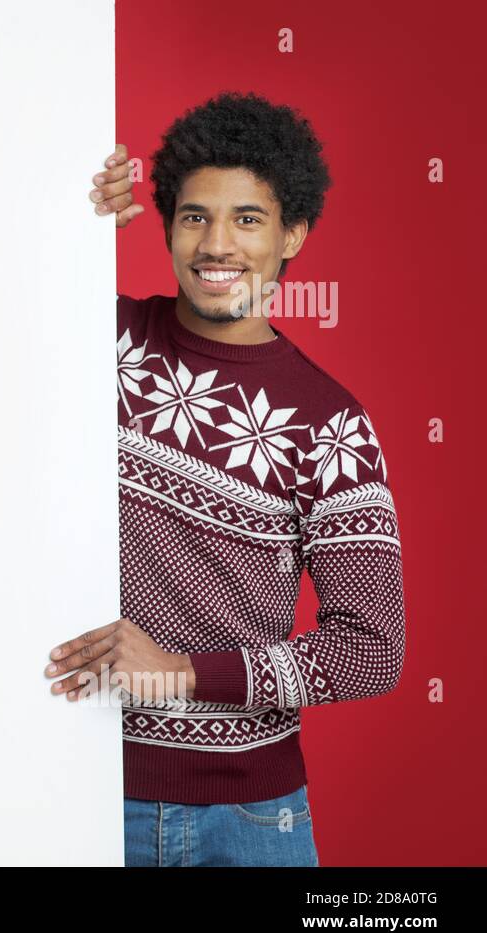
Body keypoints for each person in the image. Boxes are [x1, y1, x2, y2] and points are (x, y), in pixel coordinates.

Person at [50, 92, 406, 866]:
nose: (218, 243)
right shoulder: (98, 338)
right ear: (169, 226)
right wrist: (69, 216)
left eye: (248, 218)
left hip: (250, 821)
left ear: (293, 234)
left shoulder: (330, 423)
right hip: (72, 784)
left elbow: (373, 650)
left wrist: (179, 675)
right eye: (194, 215)